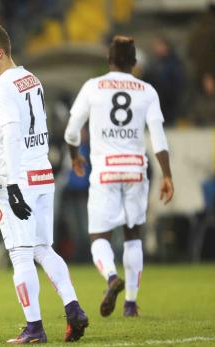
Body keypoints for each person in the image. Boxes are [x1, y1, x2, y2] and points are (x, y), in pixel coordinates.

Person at [0, 24, 89, 344]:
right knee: (42, 248)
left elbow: (9, 134)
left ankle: (34, 327)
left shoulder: (1, 89)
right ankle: (73, 308)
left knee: (21, 255)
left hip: (19, 177)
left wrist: (10, 184)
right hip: (42, 173)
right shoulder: (30, 78)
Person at [64, 35, 174, 318]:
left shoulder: (93, 87)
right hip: (136, 168)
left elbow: (72, 130)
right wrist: (167, 175)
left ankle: (112, 278)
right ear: (135, 63)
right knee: (132, 234)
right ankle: (131, 304)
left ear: (109, 61)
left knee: (98, 235)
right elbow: (158, 138)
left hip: (105, 169)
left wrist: (75, 155)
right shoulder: (147, 91)